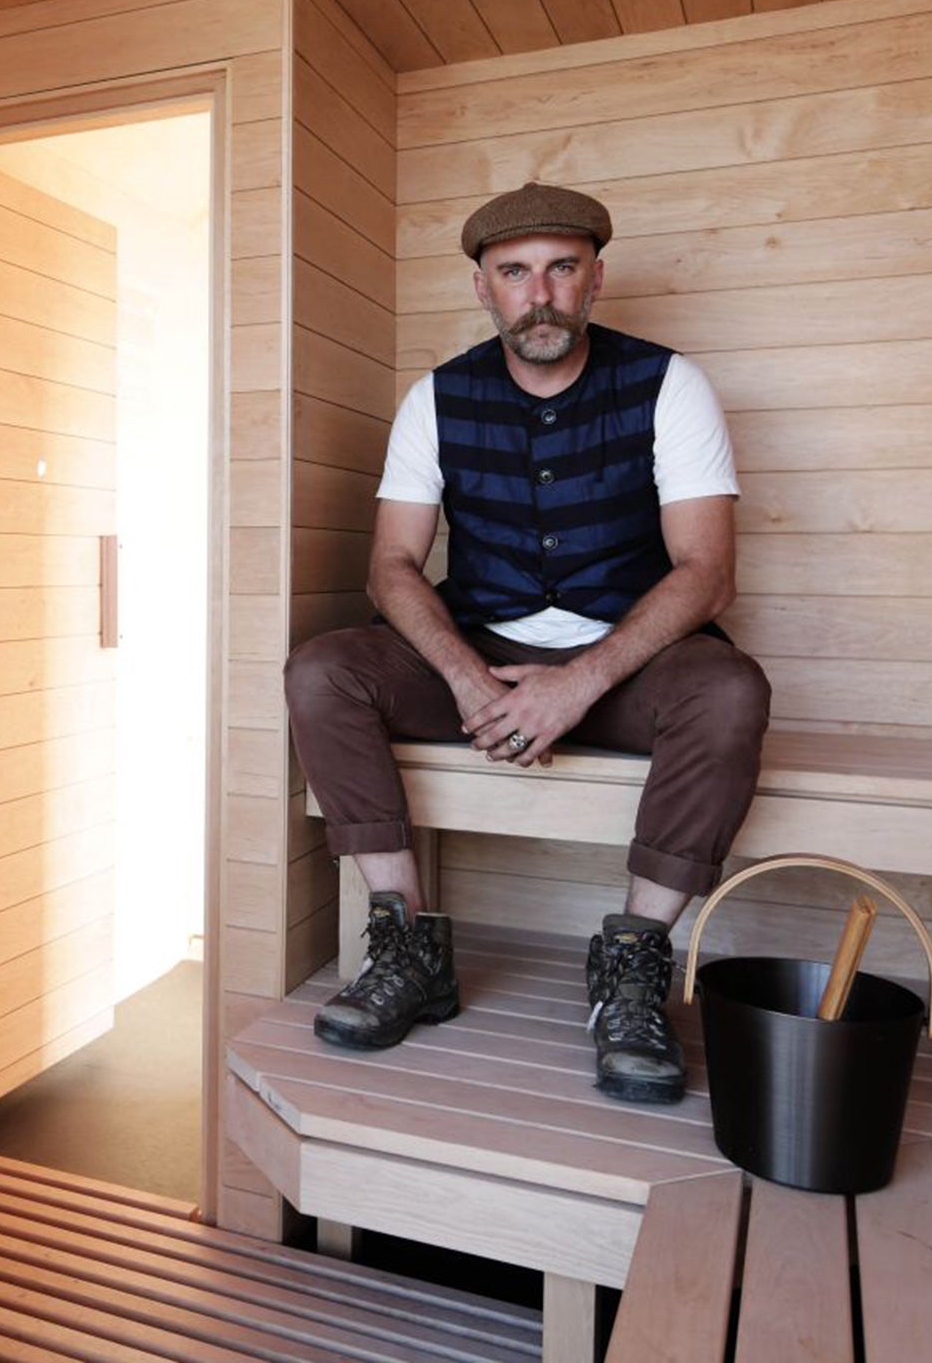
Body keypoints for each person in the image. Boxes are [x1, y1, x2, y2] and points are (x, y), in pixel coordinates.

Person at [282, 182, 770, 1105]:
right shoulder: (436, 398)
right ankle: (408, 947)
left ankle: (633, 971)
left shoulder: (671, 384)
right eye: (515, 273)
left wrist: (577, 684)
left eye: (560, 269)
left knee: (731, 690)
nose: (538, 293)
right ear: (483, 288)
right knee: (323, 669)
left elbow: (706, 571)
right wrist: (466, 679)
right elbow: (392, 565)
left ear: (594, 280)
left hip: (628, 669)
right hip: (481, 656)